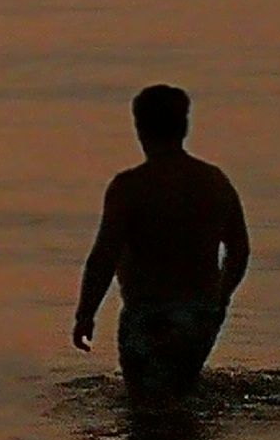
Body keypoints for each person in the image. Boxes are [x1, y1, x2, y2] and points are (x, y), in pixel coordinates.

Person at [72, 84, 251, 402]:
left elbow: (103, 257)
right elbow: (239, 250)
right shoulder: (214, 182)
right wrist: (220, 299)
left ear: (139, 128)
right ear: (184, 126)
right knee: (182, 399)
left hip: (148, 319)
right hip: (199, 317)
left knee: (147, 415)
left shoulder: (129, 188)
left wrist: (85, 314)